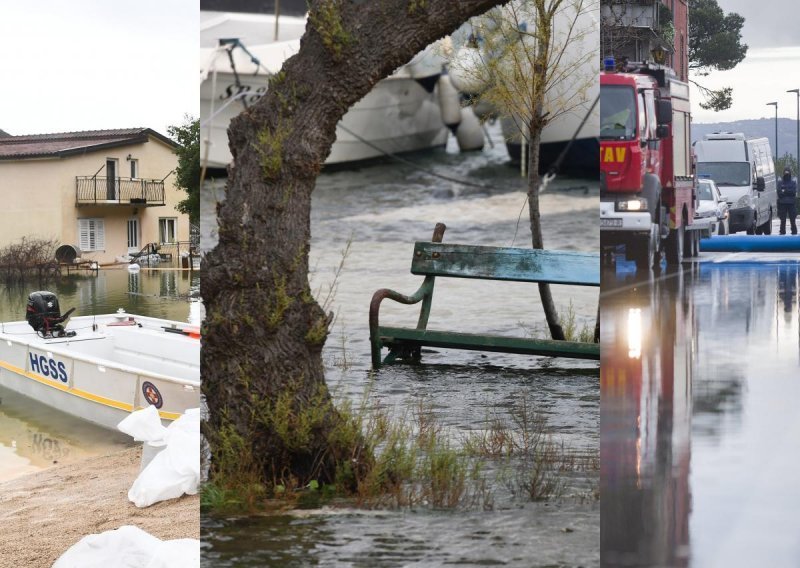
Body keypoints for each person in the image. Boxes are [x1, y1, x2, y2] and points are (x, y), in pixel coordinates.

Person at [778, 166, 797, 235]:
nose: (787, 175)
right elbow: (779, 193)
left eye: (788, 173)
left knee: (792, 219)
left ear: (790, 174)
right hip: (783, 204)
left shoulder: (793, 182)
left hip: (791, 204)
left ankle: (794, 232)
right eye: (785, 173)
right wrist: (788, 191)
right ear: (783, 174)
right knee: (782, 220)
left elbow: (793, 192)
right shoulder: (780, 183)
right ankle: (782, 232)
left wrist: (785, 191)